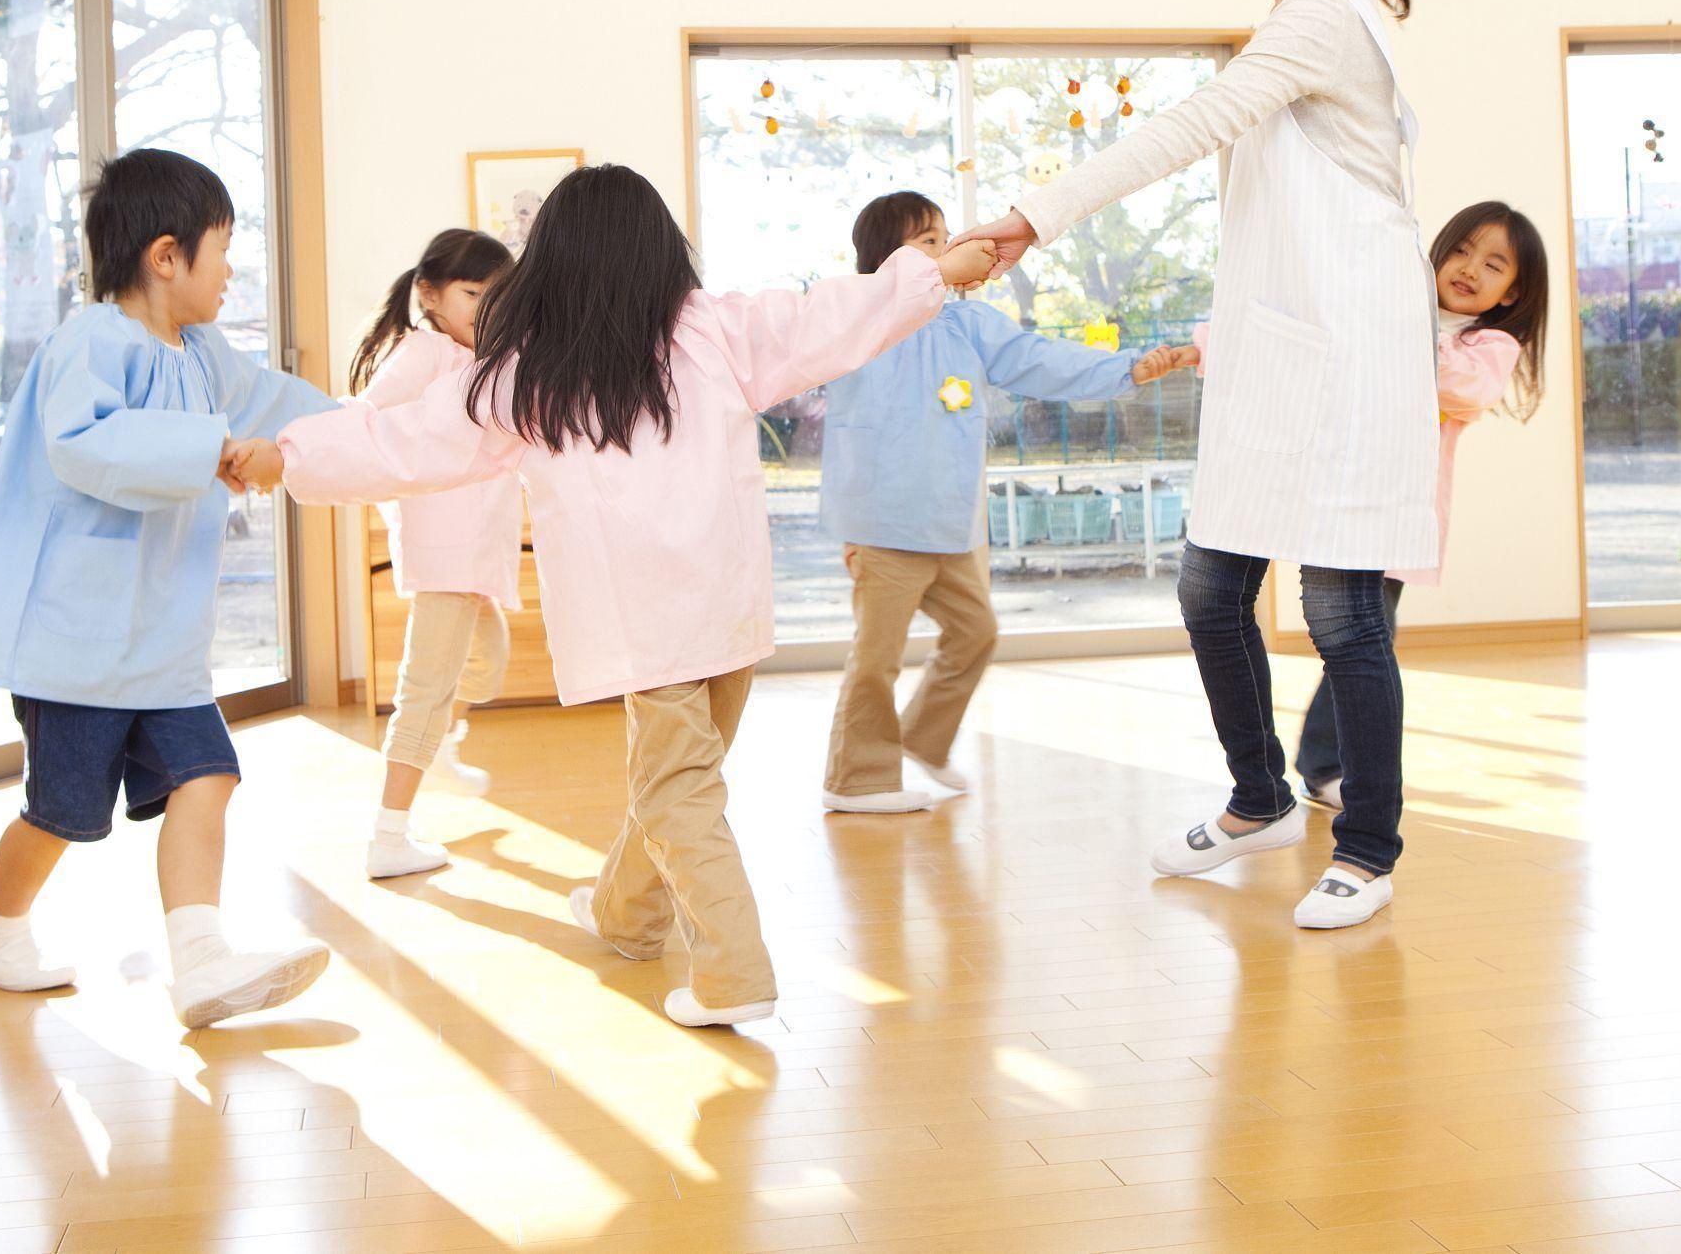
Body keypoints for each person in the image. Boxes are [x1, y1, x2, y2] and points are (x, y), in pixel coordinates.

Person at [234, 166, 999, 1026]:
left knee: (677, 785)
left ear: (552, 261)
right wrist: (943, 267)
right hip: (724, 606)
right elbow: (835, 312)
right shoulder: (716, 330)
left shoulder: (530, 370)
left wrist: (285, 457)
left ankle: (733, 973)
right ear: (658, 248)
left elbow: (402, 441)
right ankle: (626, 914)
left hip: (647, 619)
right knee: (682, 776)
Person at [957, 0, 1447, 930]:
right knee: (1210, 584)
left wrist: (1034, 215)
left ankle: (1366, 846)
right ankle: (1259, 796)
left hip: (1354, 358)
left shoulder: (1323, 14)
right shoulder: (1302, 22)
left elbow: (1186, 126)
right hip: (1285, 358)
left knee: (1340, 614)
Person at [0, 148, 342, 1027]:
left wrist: (372, 433)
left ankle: (201, 959)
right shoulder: (92, 341)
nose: (231, 268)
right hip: (78, 646)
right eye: (223, 248)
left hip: (163, 645)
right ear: (166, 256)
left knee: (206, 775)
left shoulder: (205, 354)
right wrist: (209, 450)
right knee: (62, 813)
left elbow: (276, 401)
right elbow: (85, 442)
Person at [818, 189, 1191, 813]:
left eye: (947, 237)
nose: (952, 249)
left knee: (976, 633)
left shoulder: (969, 324)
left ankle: (921, 739)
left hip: (950, 525)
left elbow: (1045, 362)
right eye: (930, 242)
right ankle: (856, 779)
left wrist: (1129, 369)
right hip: (882, 525)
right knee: (876, 658)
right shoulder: (857, 316)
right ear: (889, 258)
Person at [1293, 203, 1547, 809]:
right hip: (1344, 495)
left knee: (1366, 638)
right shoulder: (1388, 309)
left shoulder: (1487, 345)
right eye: (1461, 250)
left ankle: (1329, 764)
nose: (1469, 269)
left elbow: (1463, 388)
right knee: (1351, 637)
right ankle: (1325, 761)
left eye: (1493, 265)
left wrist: (1398, 333)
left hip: (1401, 512)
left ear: (1512, 293)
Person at [346, 229, 519, 878]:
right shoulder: (424, 352)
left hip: (477, 555)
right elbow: (367, 422)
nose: (486, 305)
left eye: (497, 294)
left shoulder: (484, 357)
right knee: (427, 688)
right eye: (473, 291)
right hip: (448, 551)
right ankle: (390, 834)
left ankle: (440, 747)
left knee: (486, 664)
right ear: (430, 293)